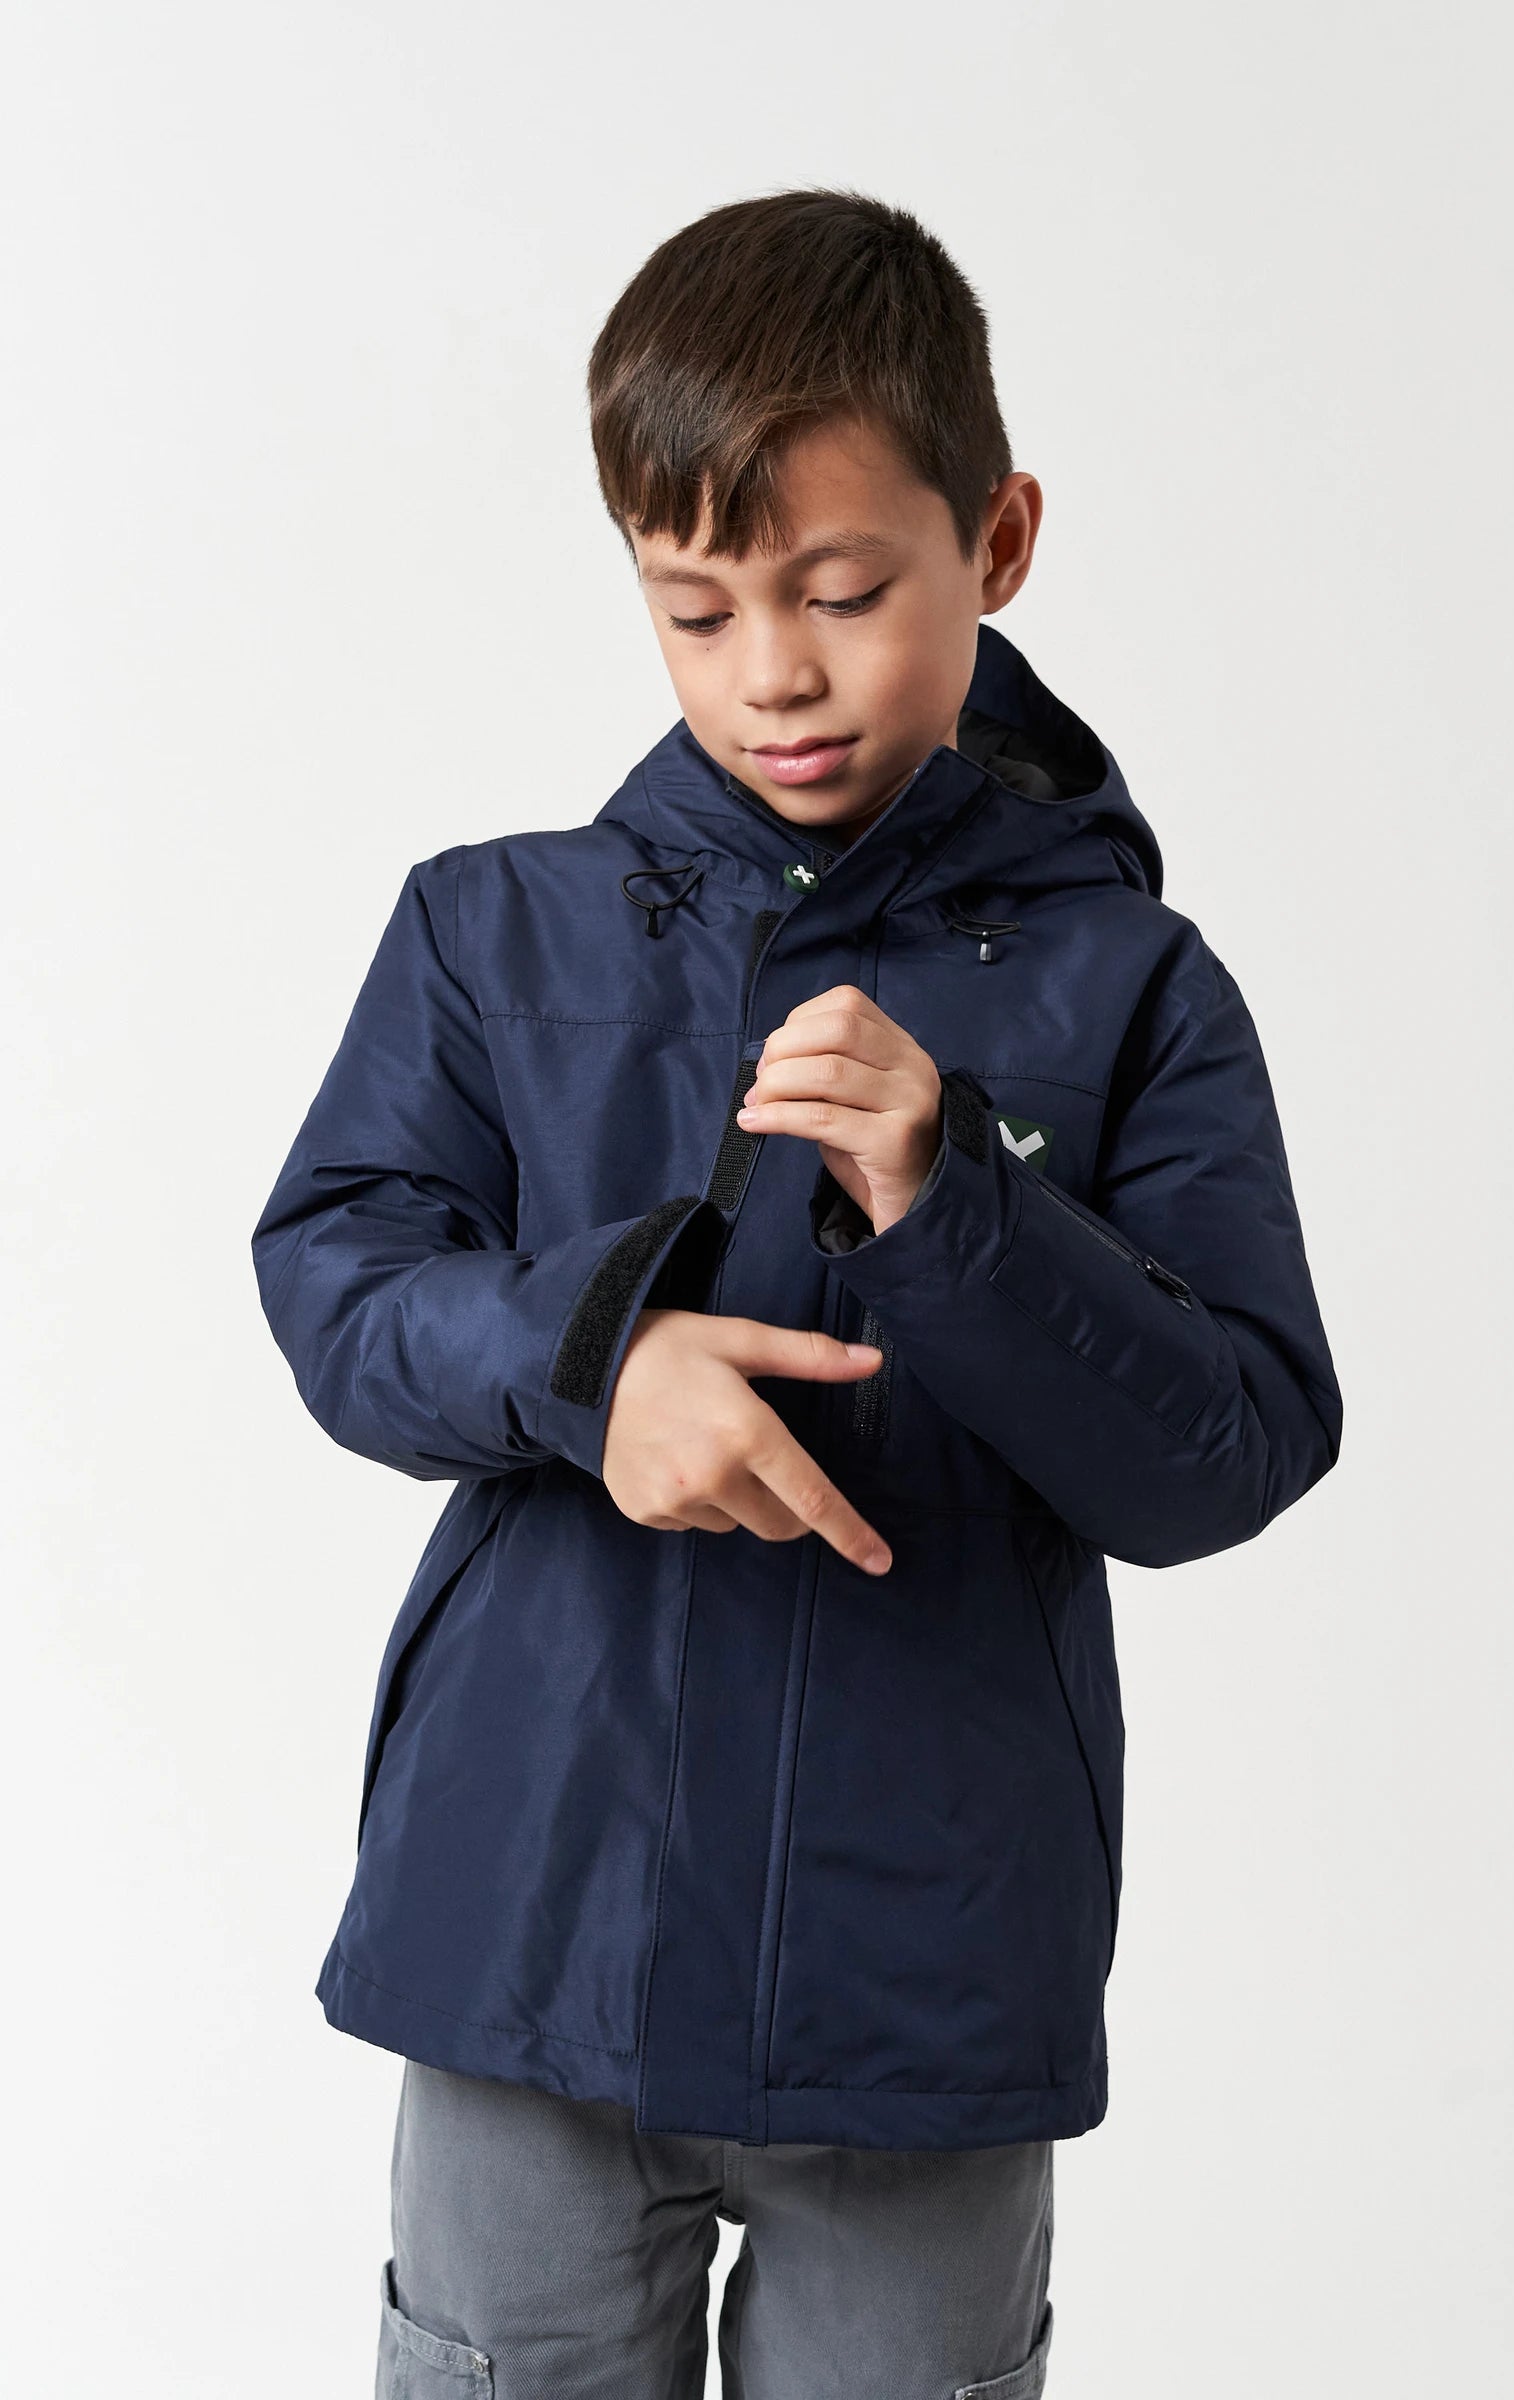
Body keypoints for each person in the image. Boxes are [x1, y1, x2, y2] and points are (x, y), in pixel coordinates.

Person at [251, 188, 1343, 2400]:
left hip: (928, 1976)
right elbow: (341, 1281)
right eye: (695, 607)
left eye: (842, 592)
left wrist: (958, 1201)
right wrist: (597, 1365)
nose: (772, 670)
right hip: (528, 1923)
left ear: (995, 541)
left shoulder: (1134, 990)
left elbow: (1227, 1451)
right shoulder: (487, 930)